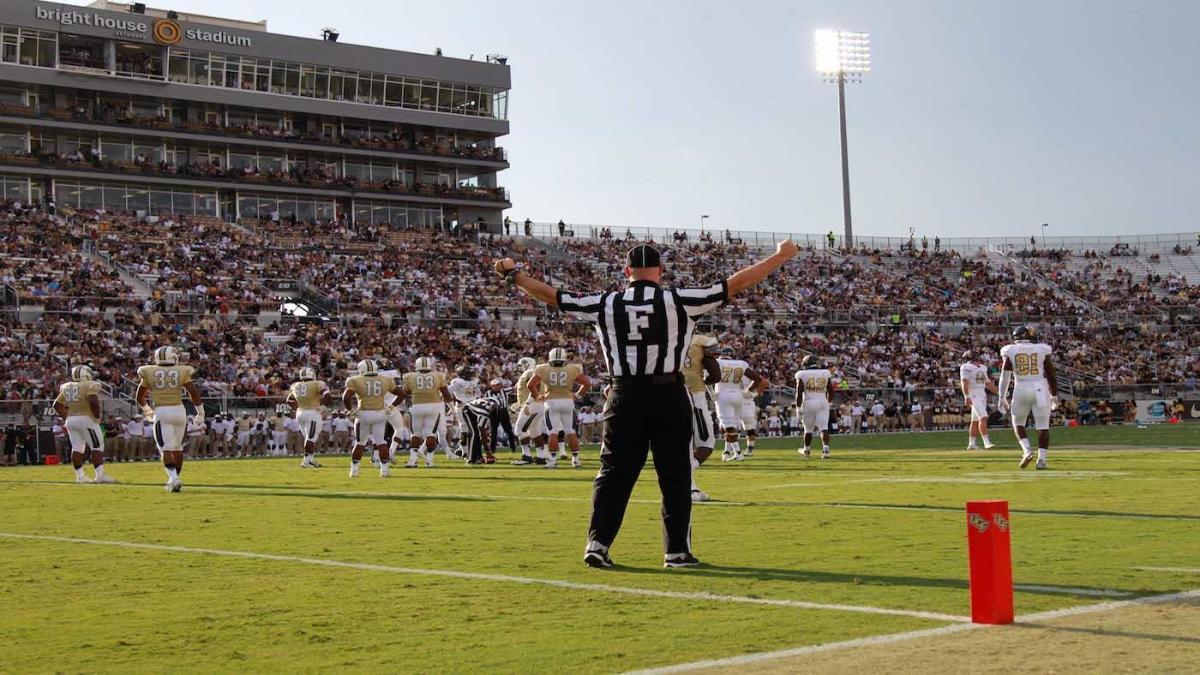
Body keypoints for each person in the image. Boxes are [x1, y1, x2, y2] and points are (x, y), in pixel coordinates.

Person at [493, 238, 799, 568]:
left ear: (627, 272)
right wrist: (780, 256)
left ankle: (597, 543)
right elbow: (735, 283)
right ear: (660, 272)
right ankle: (677, 551)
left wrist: (515, 276)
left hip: (624, 394)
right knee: (675, 475)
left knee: (614, 473)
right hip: (667, 392)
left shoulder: (606, 303)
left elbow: (554, 297)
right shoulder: (678, 300)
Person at [135, 346, 204, 493]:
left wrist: (148, 411)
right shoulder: (182, 371)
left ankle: (173, 479)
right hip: (180, 411)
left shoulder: (149, 371)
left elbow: (139, 397)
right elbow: (193, 393)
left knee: (165, 448)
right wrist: (200, 413)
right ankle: (175, 479)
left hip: (162, 411)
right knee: (177, 448)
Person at [998, 326, 1057, 470]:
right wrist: (1054, 395)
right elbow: (1050, 374)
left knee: (1018, 423)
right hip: (1040, 387)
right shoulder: (1042, 349)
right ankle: (1041, 460)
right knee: (1043, 426)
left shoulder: (1010, 350)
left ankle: (1027, 450)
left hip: (1021, 387)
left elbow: (1005, 377)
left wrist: (1002, 396)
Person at [528, 348, 592, 468]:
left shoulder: (543, 368)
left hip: (551, 402)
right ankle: (576, 460)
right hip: (567, 401)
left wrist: (537, 395)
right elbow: (587, 384)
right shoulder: (572, 368)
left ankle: (552, 461)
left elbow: (530, 385)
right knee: (570, 431)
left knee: (553, 432)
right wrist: (578, 395)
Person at [52, 365, 116, 484]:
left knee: (77, 448)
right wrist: (97, 417)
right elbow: (93, 401)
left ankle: (80, 477)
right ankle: (100, 476)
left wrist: (67, 416)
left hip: (71, 419)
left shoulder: (66, 386)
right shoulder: (89, 384)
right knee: (96, 446)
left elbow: (56, 404)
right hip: (86, 418)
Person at [343, 359, 403, 477]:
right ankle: (384, 471)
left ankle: (354, 471)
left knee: (360, 443)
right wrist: (391, 406)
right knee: (381, 442)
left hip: (363, 414)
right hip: (379, 414)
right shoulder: (385, 380)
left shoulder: (355, 380)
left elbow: (346, 398)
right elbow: (401, 394)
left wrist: (350, 411)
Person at [398, 356, 453, 468]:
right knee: (430, 434)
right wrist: (451, 407)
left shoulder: (410, 377)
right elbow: (446, 394)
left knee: (415, 435)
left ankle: (412, 461)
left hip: (417, 407)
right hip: (433, 407)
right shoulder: (438, 376)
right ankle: (429, 461)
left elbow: (404, 394)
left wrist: (393, 405)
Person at [714, 349, 767, 461]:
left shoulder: (719, 363)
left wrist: (750, 394)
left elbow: (707, 378)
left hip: (727, 396)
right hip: (738, 397)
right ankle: (728, 452)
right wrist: (750, 392)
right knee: (734, 427)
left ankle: (737, 452)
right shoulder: (741, 365)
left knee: (730, 426)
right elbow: (759, 379)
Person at [286, 367, 331, 468]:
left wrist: (300, 405)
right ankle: (306, 462)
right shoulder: (317, 384)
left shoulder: (296, 385)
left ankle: (310, 460)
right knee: (311, 438)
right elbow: (328, 396)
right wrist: (322, 405)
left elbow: (288, 400)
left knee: (308, 437)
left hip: (300, 413)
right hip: (312, 413)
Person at [510, 357, 549, 465]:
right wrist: (518, 404)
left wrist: (527, 404)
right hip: (537, 405)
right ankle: (541, 457)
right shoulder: (533, 372)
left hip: (532, 405)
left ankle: (526, 457)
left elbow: (535, 386)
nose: (520, 366)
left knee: (519, 430)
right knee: (535, 432)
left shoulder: (530, 372)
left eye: (522, 364)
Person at [795, 356, 834, 458]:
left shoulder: (802, 374)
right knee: (824, 427)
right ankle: (826, 450)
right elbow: (830, 390)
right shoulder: (825, 373)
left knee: (808, 429)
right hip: (822, 401)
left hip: (809, 402)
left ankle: (807, 450)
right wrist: (828, 402)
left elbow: (799, 393)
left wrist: (798, 407)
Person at [960, 352, 997, 450]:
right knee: (983, 417)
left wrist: (999, 393)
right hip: (973, 395)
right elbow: (964, 382)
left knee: (975, 420)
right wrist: (966, 396)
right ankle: (986, 442)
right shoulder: (966, 367)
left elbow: (988, 383)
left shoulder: (983, 368)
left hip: (982, 394)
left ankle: (971, 444)